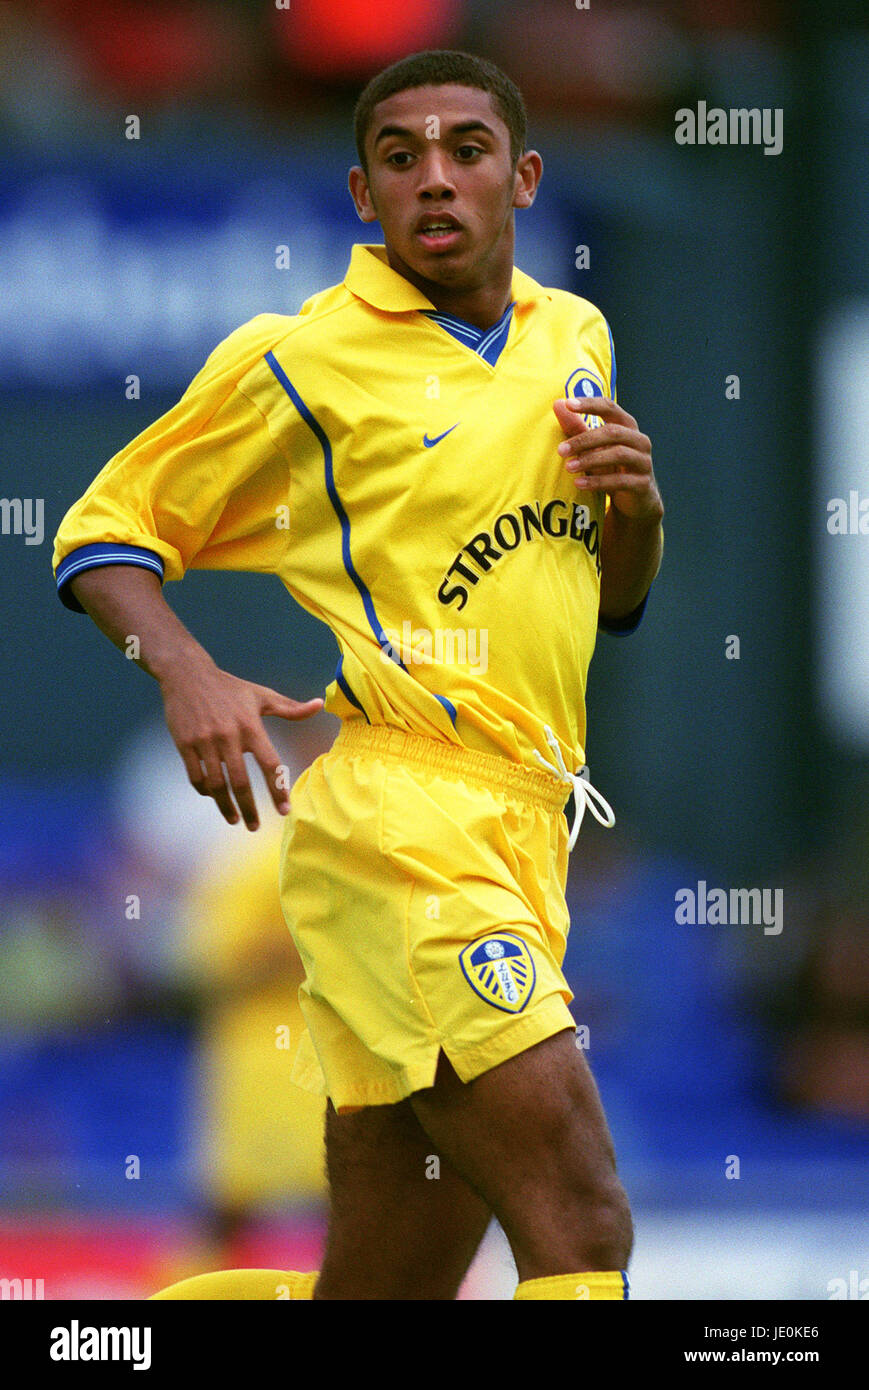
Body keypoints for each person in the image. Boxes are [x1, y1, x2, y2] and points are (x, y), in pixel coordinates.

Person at [52, 49, 664, 1301]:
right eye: (400, 158)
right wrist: (190, 674)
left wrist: (639, 511)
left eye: (465, 150)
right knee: (583, 1222)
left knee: (383, 1290)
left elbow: (615, 599)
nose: (433, 178)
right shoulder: (303, 359)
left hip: (526, 821)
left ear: (523, 177)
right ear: (360, 193)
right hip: (403, 821)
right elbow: (100, 536)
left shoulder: (573, 334)